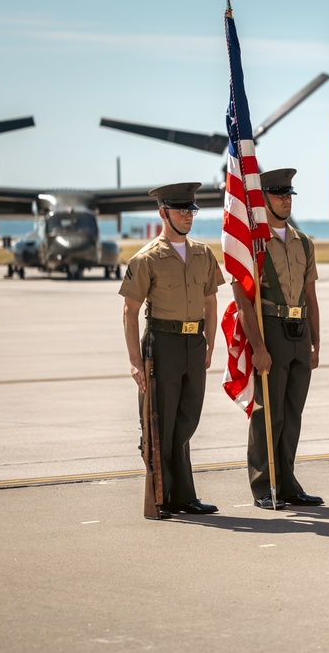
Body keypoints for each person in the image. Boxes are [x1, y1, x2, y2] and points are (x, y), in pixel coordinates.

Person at [119, 182, 222, 519]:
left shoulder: (203, 253)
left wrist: (209, 343)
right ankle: (163, 496)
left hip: (194, 344)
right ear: (163, 212)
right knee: (160, 423)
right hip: (162, 344)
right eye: (181, 209)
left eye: (191, 209)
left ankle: (182, 494)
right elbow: (130, 311)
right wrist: (135, 361)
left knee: (187, 419)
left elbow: (211, 301)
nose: (188, 215)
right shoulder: (146, 258)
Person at [231, 168, 323, 510]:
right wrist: (258, 346)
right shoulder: (252, 245)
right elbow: (243, 300)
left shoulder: (303, 242)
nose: (286, 200)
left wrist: (316, 342)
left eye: (289, 195)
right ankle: (263, 485)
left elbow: (311, 296)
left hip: (299, 335)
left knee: (292, 413)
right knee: (267, 414)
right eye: (279, 195)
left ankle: (287, 482)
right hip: (270, 333)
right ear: (262, 199)